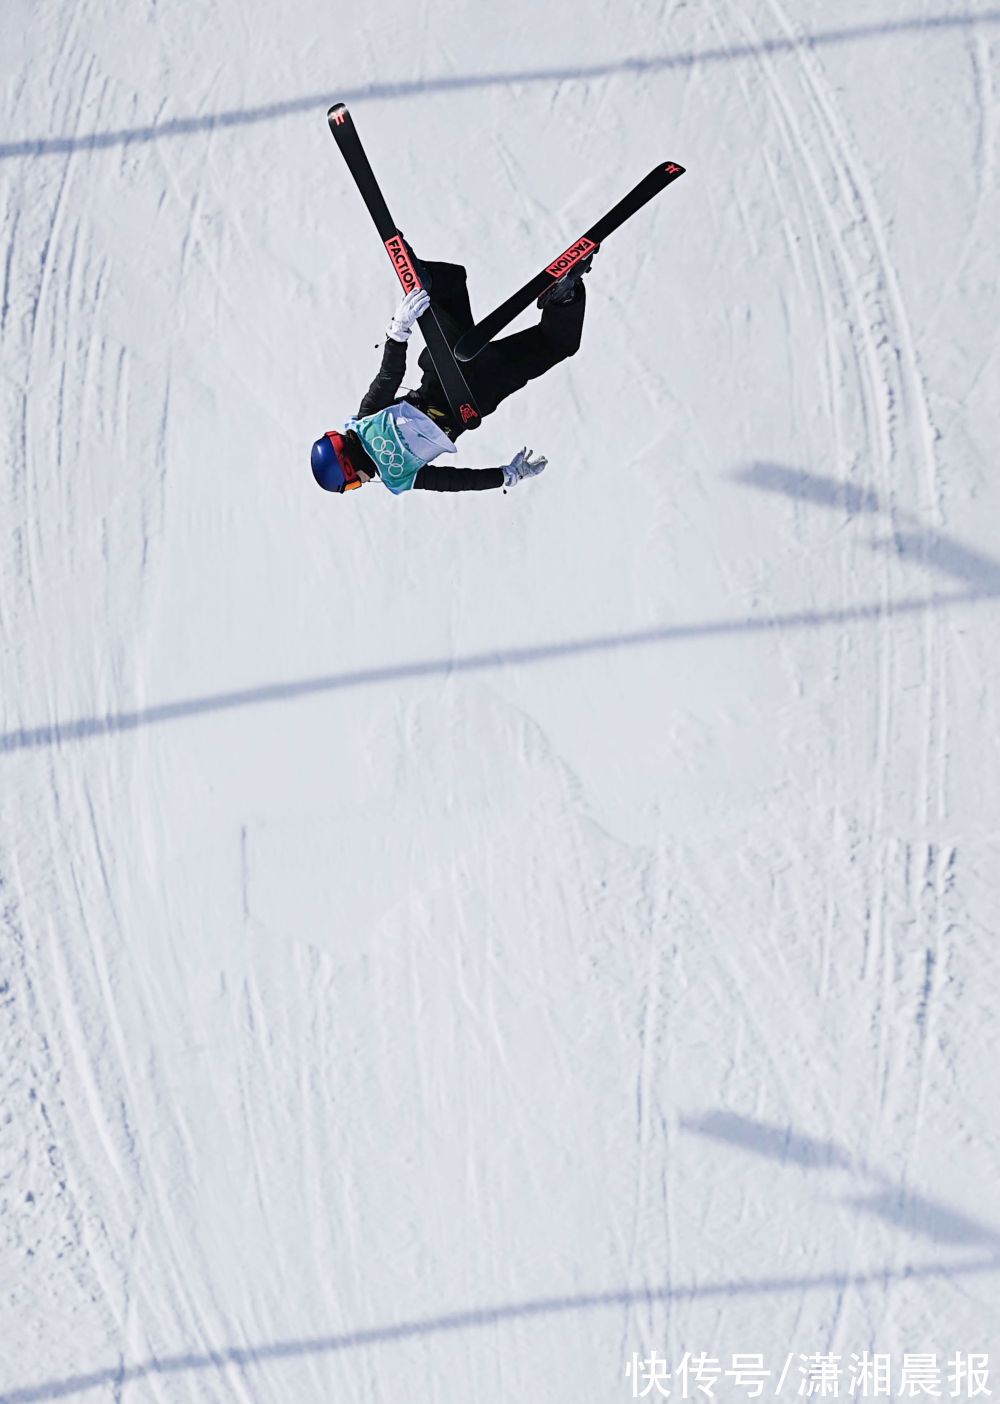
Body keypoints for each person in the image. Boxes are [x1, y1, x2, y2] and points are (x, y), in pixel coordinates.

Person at [310, 253, 593, 496]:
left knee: (555, 344)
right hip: (444, 363)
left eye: (351, 485)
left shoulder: (398, 479)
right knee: (452, 283)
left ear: (346, 466)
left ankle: (565, 299)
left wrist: (506, 475)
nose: (361, 484)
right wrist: (398, 331)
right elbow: (389, 375)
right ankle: (423, 276)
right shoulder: (365, 419)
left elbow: (452, 482)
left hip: (477, 395)